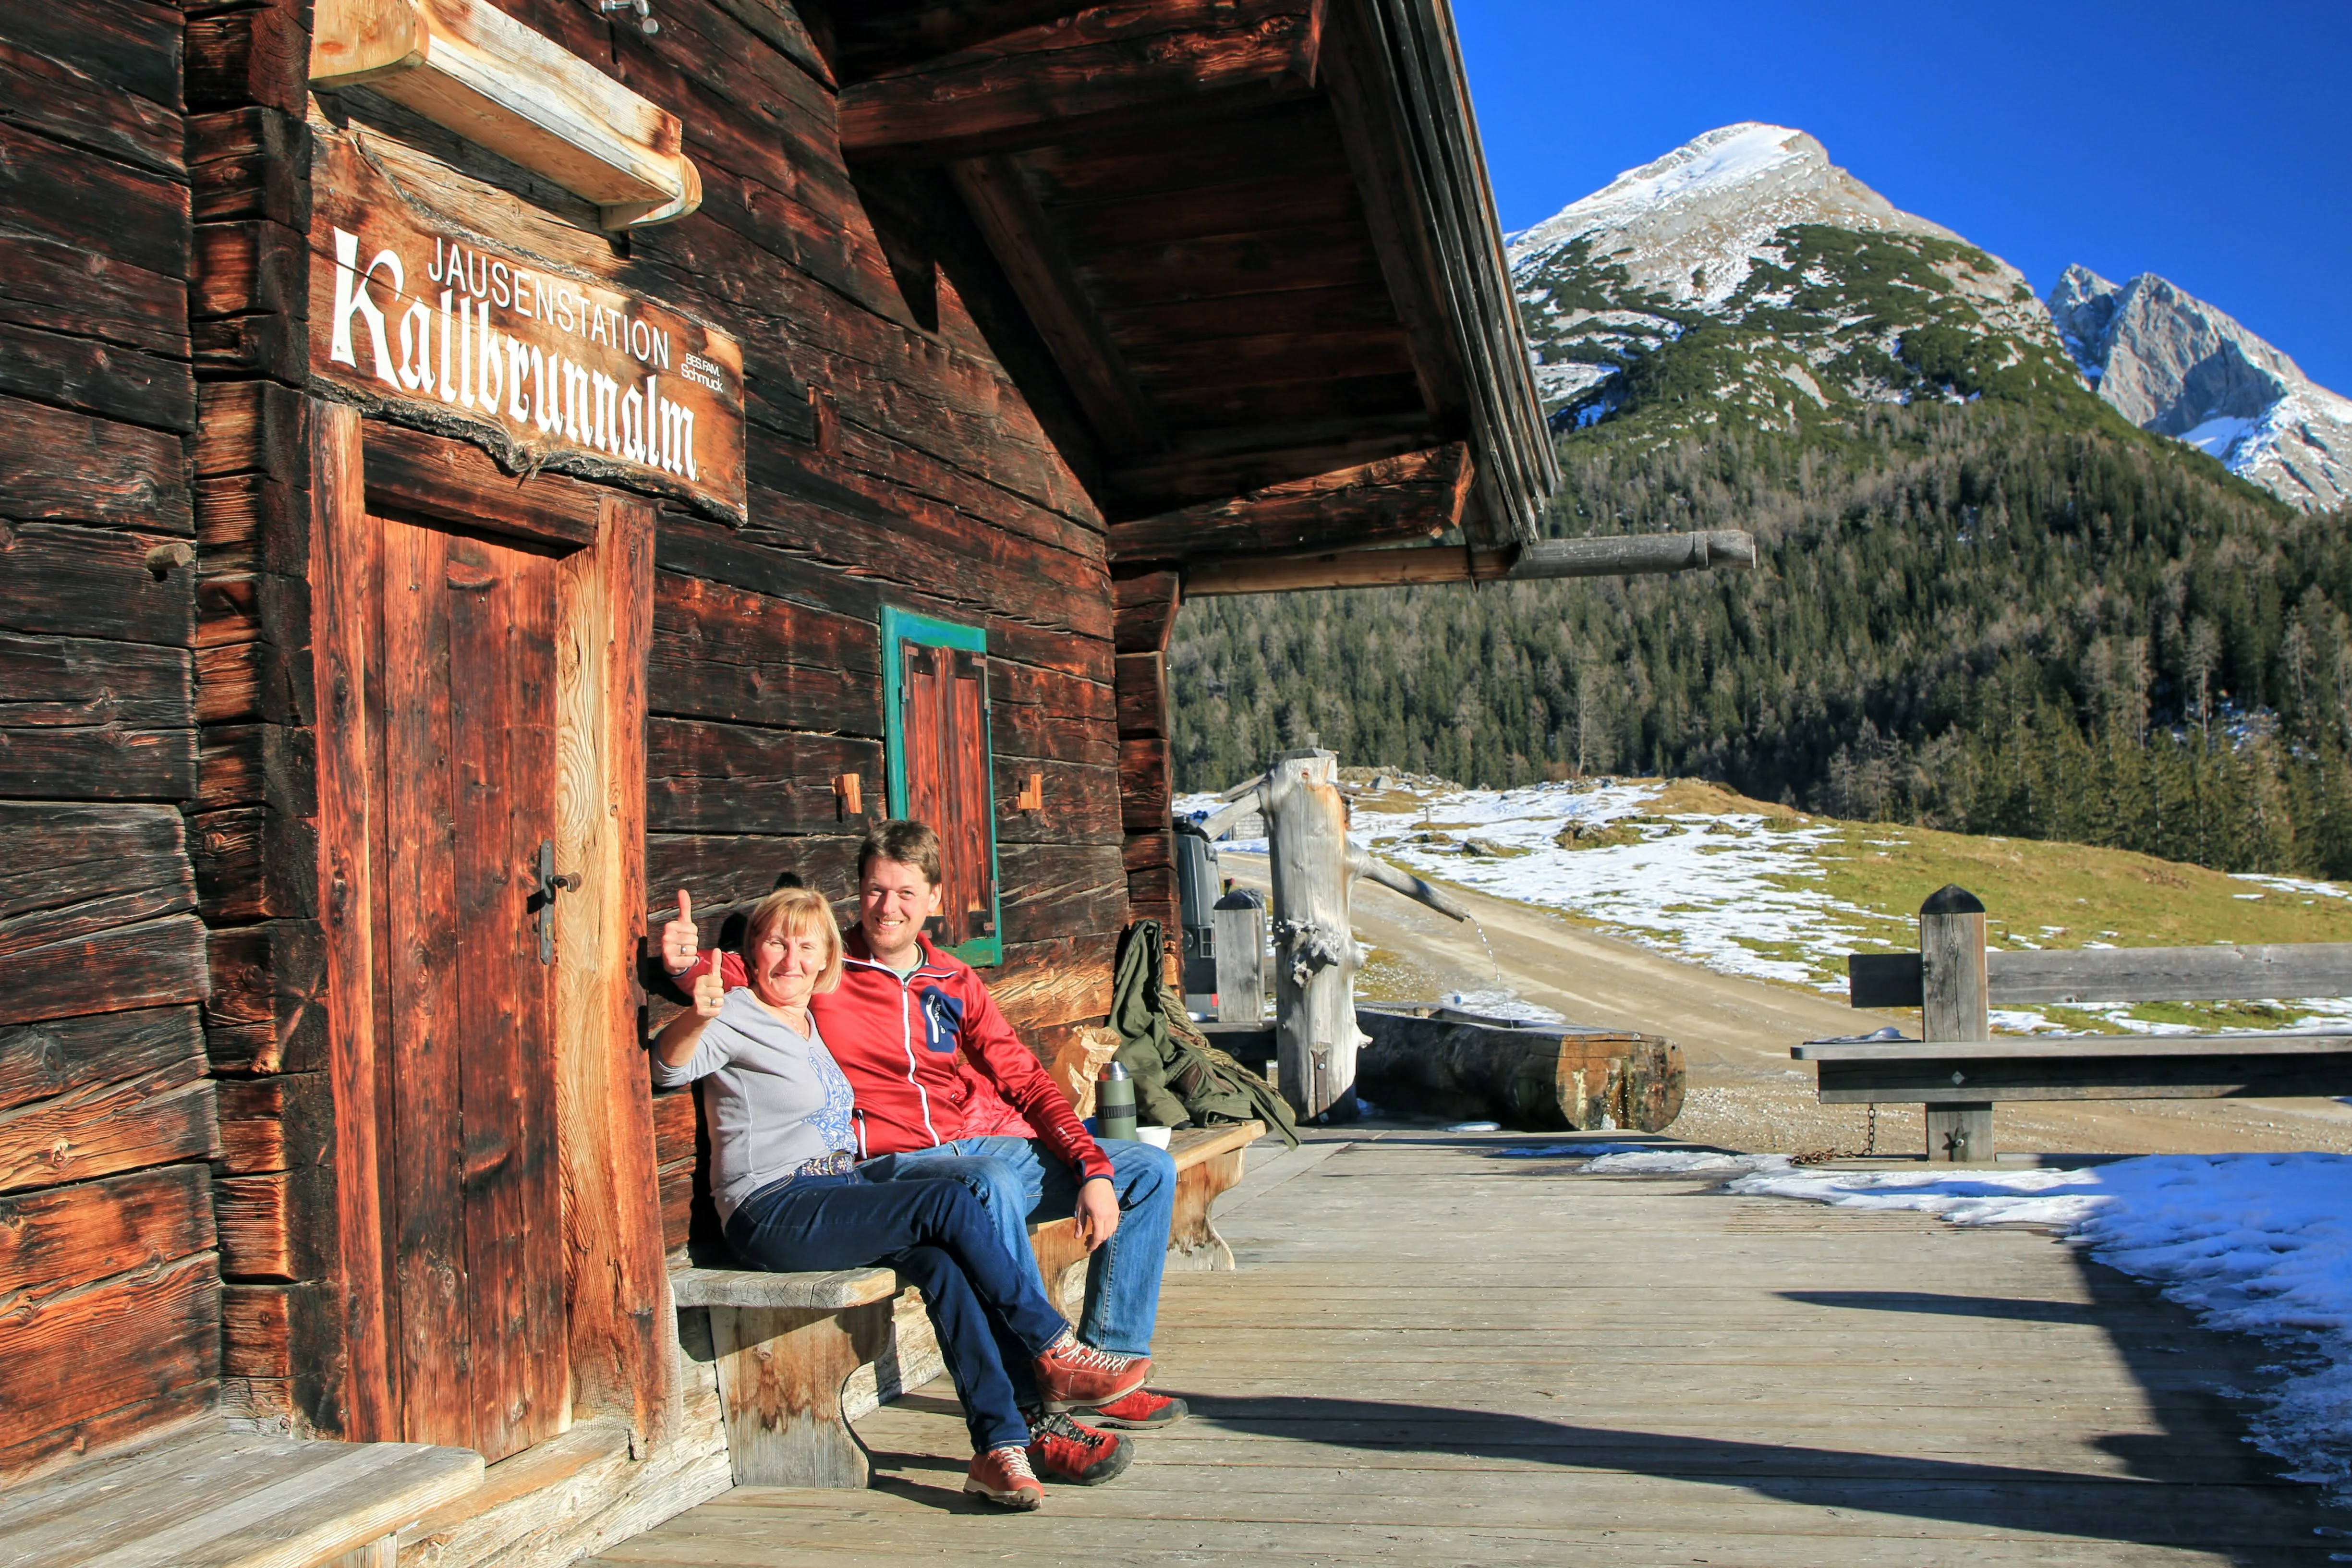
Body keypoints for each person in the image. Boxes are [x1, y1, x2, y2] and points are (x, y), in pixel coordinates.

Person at [660, 822, 1186, 1489]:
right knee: (984, 1183)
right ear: (857, 893)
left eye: (905, 892)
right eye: (875, 890)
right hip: (890, 1165)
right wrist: (685, 964)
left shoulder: (952, 979)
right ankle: (1041, 1386)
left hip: (961, 1147)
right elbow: (752, 972)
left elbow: (1022, 1076)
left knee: (1146, 1168)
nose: (888, 907)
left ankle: (1101, 1371)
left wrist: (1093, 1167)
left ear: (933, 898)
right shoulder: (826, 964)